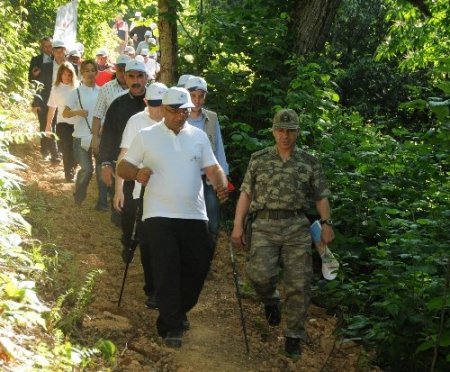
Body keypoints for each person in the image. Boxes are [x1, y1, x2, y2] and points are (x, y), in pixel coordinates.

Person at [117, 86, 229, 348]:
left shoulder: (199, 137)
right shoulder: (146, 136)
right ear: (163, 110)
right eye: (175, 111)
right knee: (166, 269)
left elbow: (212, 168)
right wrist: (137, 174)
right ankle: (172, 325)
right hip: (158, 214)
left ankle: (176, 312)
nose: (181, 116)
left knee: (197, 267)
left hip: (194, 214)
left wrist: (220, 184)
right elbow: (123, 165)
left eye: (185, 111)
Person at [231, 108, 335, 358]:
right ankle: (270, 300)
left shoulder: (309, 162)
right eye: (280, 130)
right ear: (273, 131)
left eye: (290, 130)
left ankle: (294, 335)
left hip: (296, 227)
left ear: (297, 132)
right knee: (258, 274)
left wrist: (327, 223)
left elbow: (321, 196)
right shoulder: (259, 159)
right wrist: (237, 224)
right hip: (264, 225)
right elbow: (246, 193)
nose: (285, 135)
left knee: (299, 283)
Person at [115, 82, 168, 308]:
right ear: (146, 102)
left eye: (161, 105)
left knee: (165, 243)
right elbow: (124, 155)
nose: (158, 110)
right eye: (154, 105)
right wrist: (119, 190)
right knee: (147, 242)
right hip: (142, 192)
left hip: (169, 194)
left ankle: (167, 287)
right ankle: (153, 289)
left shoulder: (174, 123)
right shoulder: (136, 122)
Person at [98, 60, 148, 286]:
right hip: (125, 167)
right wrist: (106, 164)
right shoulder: (117, 105)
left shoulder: (157, 103)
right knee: (127, 211)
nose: (136, 81)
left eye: (140, 76)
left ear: (146, 78)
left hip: (150, 168)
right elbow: (108, 137)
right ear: (124, 78)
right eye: (131, 77)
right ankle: (128, 241)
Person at [186, 76, 229, 251]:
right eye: (193, 96)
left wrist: (223, 179)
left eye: (201, 96)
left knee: (212, 220)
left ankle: (207, 258)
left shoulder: (211, 118)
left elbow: (219, 148)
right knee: (189, 221)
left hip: (209, 177)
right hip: (187, 178)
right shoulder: (180, 117)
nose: (197, 100)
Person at [91, 54, 131, 212]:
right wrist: (95, 138)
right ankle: (102, 201)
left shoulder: (139, 90)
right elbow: (97, 114)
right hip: (109, 136)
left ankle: (121, 203)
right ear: (116, 69)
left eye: (125, 70)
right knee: (103, 165)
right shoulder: (107, 88)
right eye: (119, 69)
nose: (122, 72)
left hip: (130, 138)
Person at [63, 60, 99, 205]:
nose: (90, 73)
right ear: (82, 74)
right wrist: (78, 112)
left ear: (96, 72)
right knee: (87, 169)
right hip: (80, 136)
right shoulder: (76, 92)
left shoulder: (101, 91)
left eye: (92, 70)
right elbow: (65, 113)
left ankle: (103, 200)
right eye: (87, 70)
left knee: (102, 170)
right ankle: (79, 195)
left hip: (97, 137)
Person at [32, 40, 73, 165]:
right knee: (49, 125)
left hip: (65, 102)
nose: (60, 54)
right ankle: (55, 155)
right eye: (57, 51)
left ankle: (62, 152)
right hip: (47, 101)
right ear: (53, 52)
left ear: (65, 52)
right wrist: (36, 102)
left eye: (62, 51)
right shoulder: (46, 67)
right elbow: (40, 86)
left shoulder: (71, 67)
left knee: (62, 129)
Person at [46, 62, 79, 182]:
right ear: (60, 75)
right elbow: (52, 108)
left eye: (69, 75)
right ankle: (68, 174)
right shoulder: (55, 89)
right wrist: (48, 126)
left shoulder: (77, 87)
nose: (67, 77)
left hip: (76, 123)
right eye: (64, 74)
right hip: (62, 123)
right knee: (67, 149)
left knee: (75, 150)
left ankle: (73, 168)